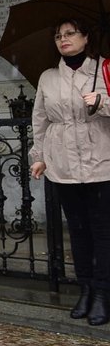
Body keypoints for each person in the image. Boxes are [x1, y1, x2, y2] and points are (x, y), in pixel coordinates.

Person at [29, 18, 110, 326]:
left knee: (103, 232)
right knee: (77, 230)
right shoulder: (48, 77)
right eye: (58, 35)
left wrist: (102, 101)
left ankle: (103, 293)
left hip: (101, 161)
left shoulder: (104, 69)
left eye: (70, 33)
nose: (63, 39)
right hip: (63, 164)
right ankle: (86, 289)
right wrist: (39, 156)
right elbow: (40, 120)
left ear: (86, 37)